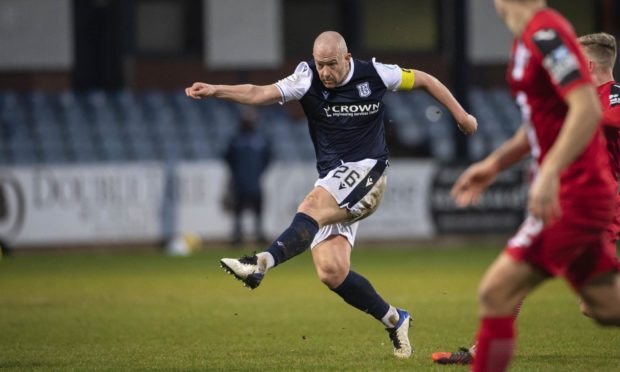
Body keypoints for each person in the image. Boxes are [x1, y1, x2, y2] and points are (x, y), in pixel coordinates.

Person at [186, 30, 478, 358]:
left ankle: (260, 263)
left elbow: (425, 79)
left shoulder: (376, 73)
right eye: (320, 64)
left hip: (369, 172)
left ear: (347, 58)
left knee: (311, 205)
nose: (325, 71)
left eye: (332, 64)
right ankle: (395, 319)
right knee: (331, 271)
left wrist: (462, 115)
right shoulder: (306, 77)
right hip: (334, 179)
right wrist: (215, 90)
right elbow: (259, 93)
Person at [431, 30, 620, 367]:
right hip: (565, 206)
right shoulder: (575, 101)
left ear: (587, 64)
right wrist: (493, 164)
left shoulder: (611, 98)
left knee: (594, 305)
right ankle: (481, 353)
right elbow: (534, 131)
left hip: (594, 208)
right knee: (507, 282)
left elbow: (599, 119)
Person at [224, 108, 272, 246]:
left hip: (255, 181)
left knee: (258, 209)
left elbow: (268, 158)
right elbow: (228, 158)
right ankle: (237, 235)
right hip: (239, 181)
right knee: (238, 210)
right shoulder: (235, 140)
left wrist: (259, 172)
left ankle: (259, 234)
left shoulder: (260, 140)